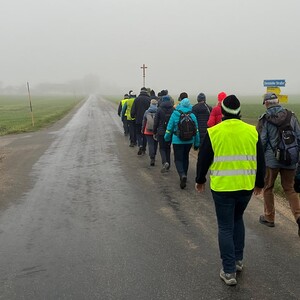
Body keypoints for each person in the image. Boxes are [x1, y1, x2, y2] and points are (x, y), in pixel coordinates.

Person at [195, 95, 265, 286]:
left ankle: (228, 271)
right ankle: (238, 261)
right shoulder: (252, 131)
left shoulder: (214, 132)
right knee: (237, 219)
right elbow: (260, 159)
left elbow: (203, 159)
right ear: (239, 111)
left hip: (223, 188)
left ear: (222, 111)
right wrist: (260, 183)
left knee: (225, 226)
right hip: (245, 186)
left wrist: (200, 180)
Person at [257, 92, 300, 236]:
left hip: (271, 160)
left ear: (267, 104)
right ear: (278, 102)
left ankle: (269, 217)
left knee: (268, 187)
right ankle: (298, 217)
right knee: (290, 189)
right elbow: (298, 138)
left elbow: (262, 141)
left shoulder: (265, 119)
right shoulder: (291, 116)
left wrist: (259, 158)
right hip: (290, 158)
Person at [165, 95, 200, 189]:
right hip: (189, 141)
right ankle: (185, 174)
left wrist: (166, 138)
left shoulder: (175, 113)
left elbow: (169, 128)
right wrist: (197, 143)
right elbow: (196, 131)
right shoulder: (192, 115)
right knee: (185, 158)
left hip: (177, 141)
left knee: (178, 159)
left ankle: (182, 175)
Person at [153, 95, 174, 173]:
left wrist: (154, 132)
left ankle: (165, 162)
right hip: (170, 132)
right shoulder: (173, 109)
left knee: (162, 148)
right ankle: (168, 165)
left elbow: (156, 122)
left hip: (161, 132)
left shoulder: (159, 109)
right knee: (168, 148)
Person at [131, 87, 151, 155]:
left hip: (138, 120)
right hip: (147, 120)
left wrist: (132, 116)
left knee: (138, 133)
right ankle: (144, 149)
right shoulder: (149, 99)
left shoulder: (137, 99)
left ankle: (140, 145)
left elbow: (133, 110)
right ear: (146, 92)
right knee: (145, 134)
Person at [142, 99, 158, 166]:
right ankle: (154, 155)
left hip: (148, 130)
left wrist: (142, 129)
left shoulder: (147, 111)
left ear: (150, 104)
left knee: (150, 144)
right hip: (156, 131)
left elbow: (144, 121)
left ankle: (152, 158)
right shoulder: (158, 111)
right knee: (155, 144)